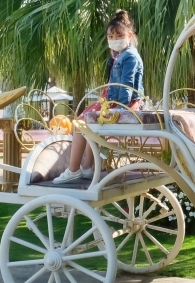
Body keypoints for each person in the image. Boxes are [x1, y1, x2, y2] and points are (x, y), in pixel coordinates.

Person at [54, 10, 144, 184]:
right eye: (111, 35)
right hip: (113, 101)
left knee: (80, 124)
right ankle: (87, 168)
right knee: (87, 125)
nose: (114, 38)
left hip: (121, 104)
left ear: (129, 35)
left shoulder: (130, 56)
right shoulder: (121, 55)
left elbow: (125, 86)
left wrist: (119, 110)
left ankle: (73, 169)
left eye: (119, 35)